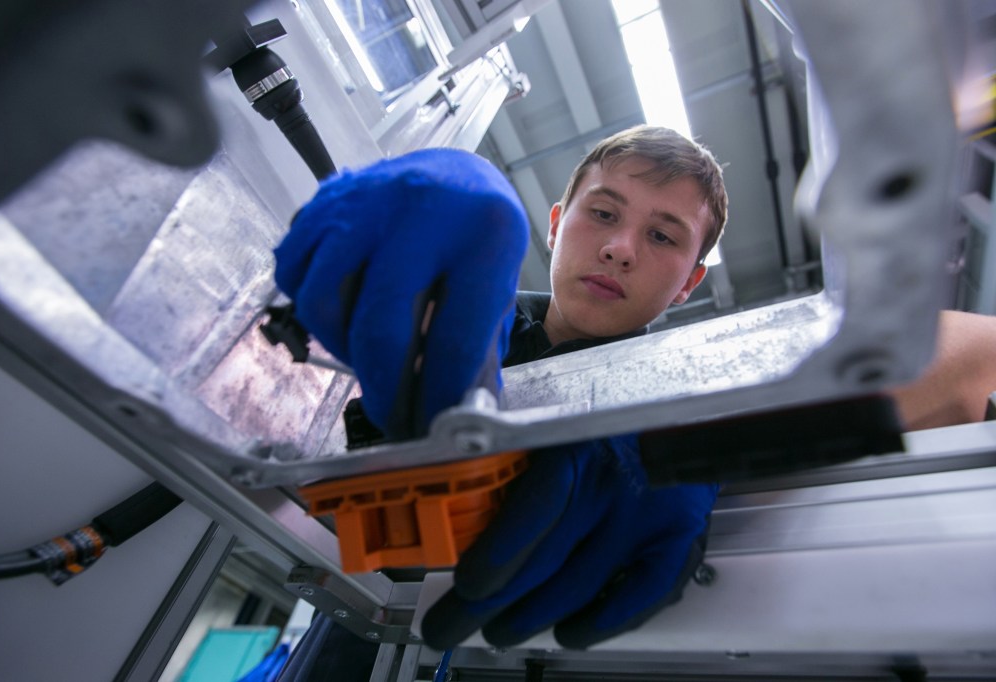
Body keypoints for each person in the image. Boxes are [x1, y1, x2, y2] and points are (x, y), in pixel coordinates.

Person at [272, 125, 996, 673]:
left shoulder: (700, 374)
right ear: (556, 225)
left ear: (689, 284)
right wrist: (447, 182)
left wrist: (685, 444)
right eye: (603, 214)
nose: (621, 247)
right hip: (351, 644)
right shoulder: (466, 315)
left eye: (661, 235)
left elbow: (973, 352)